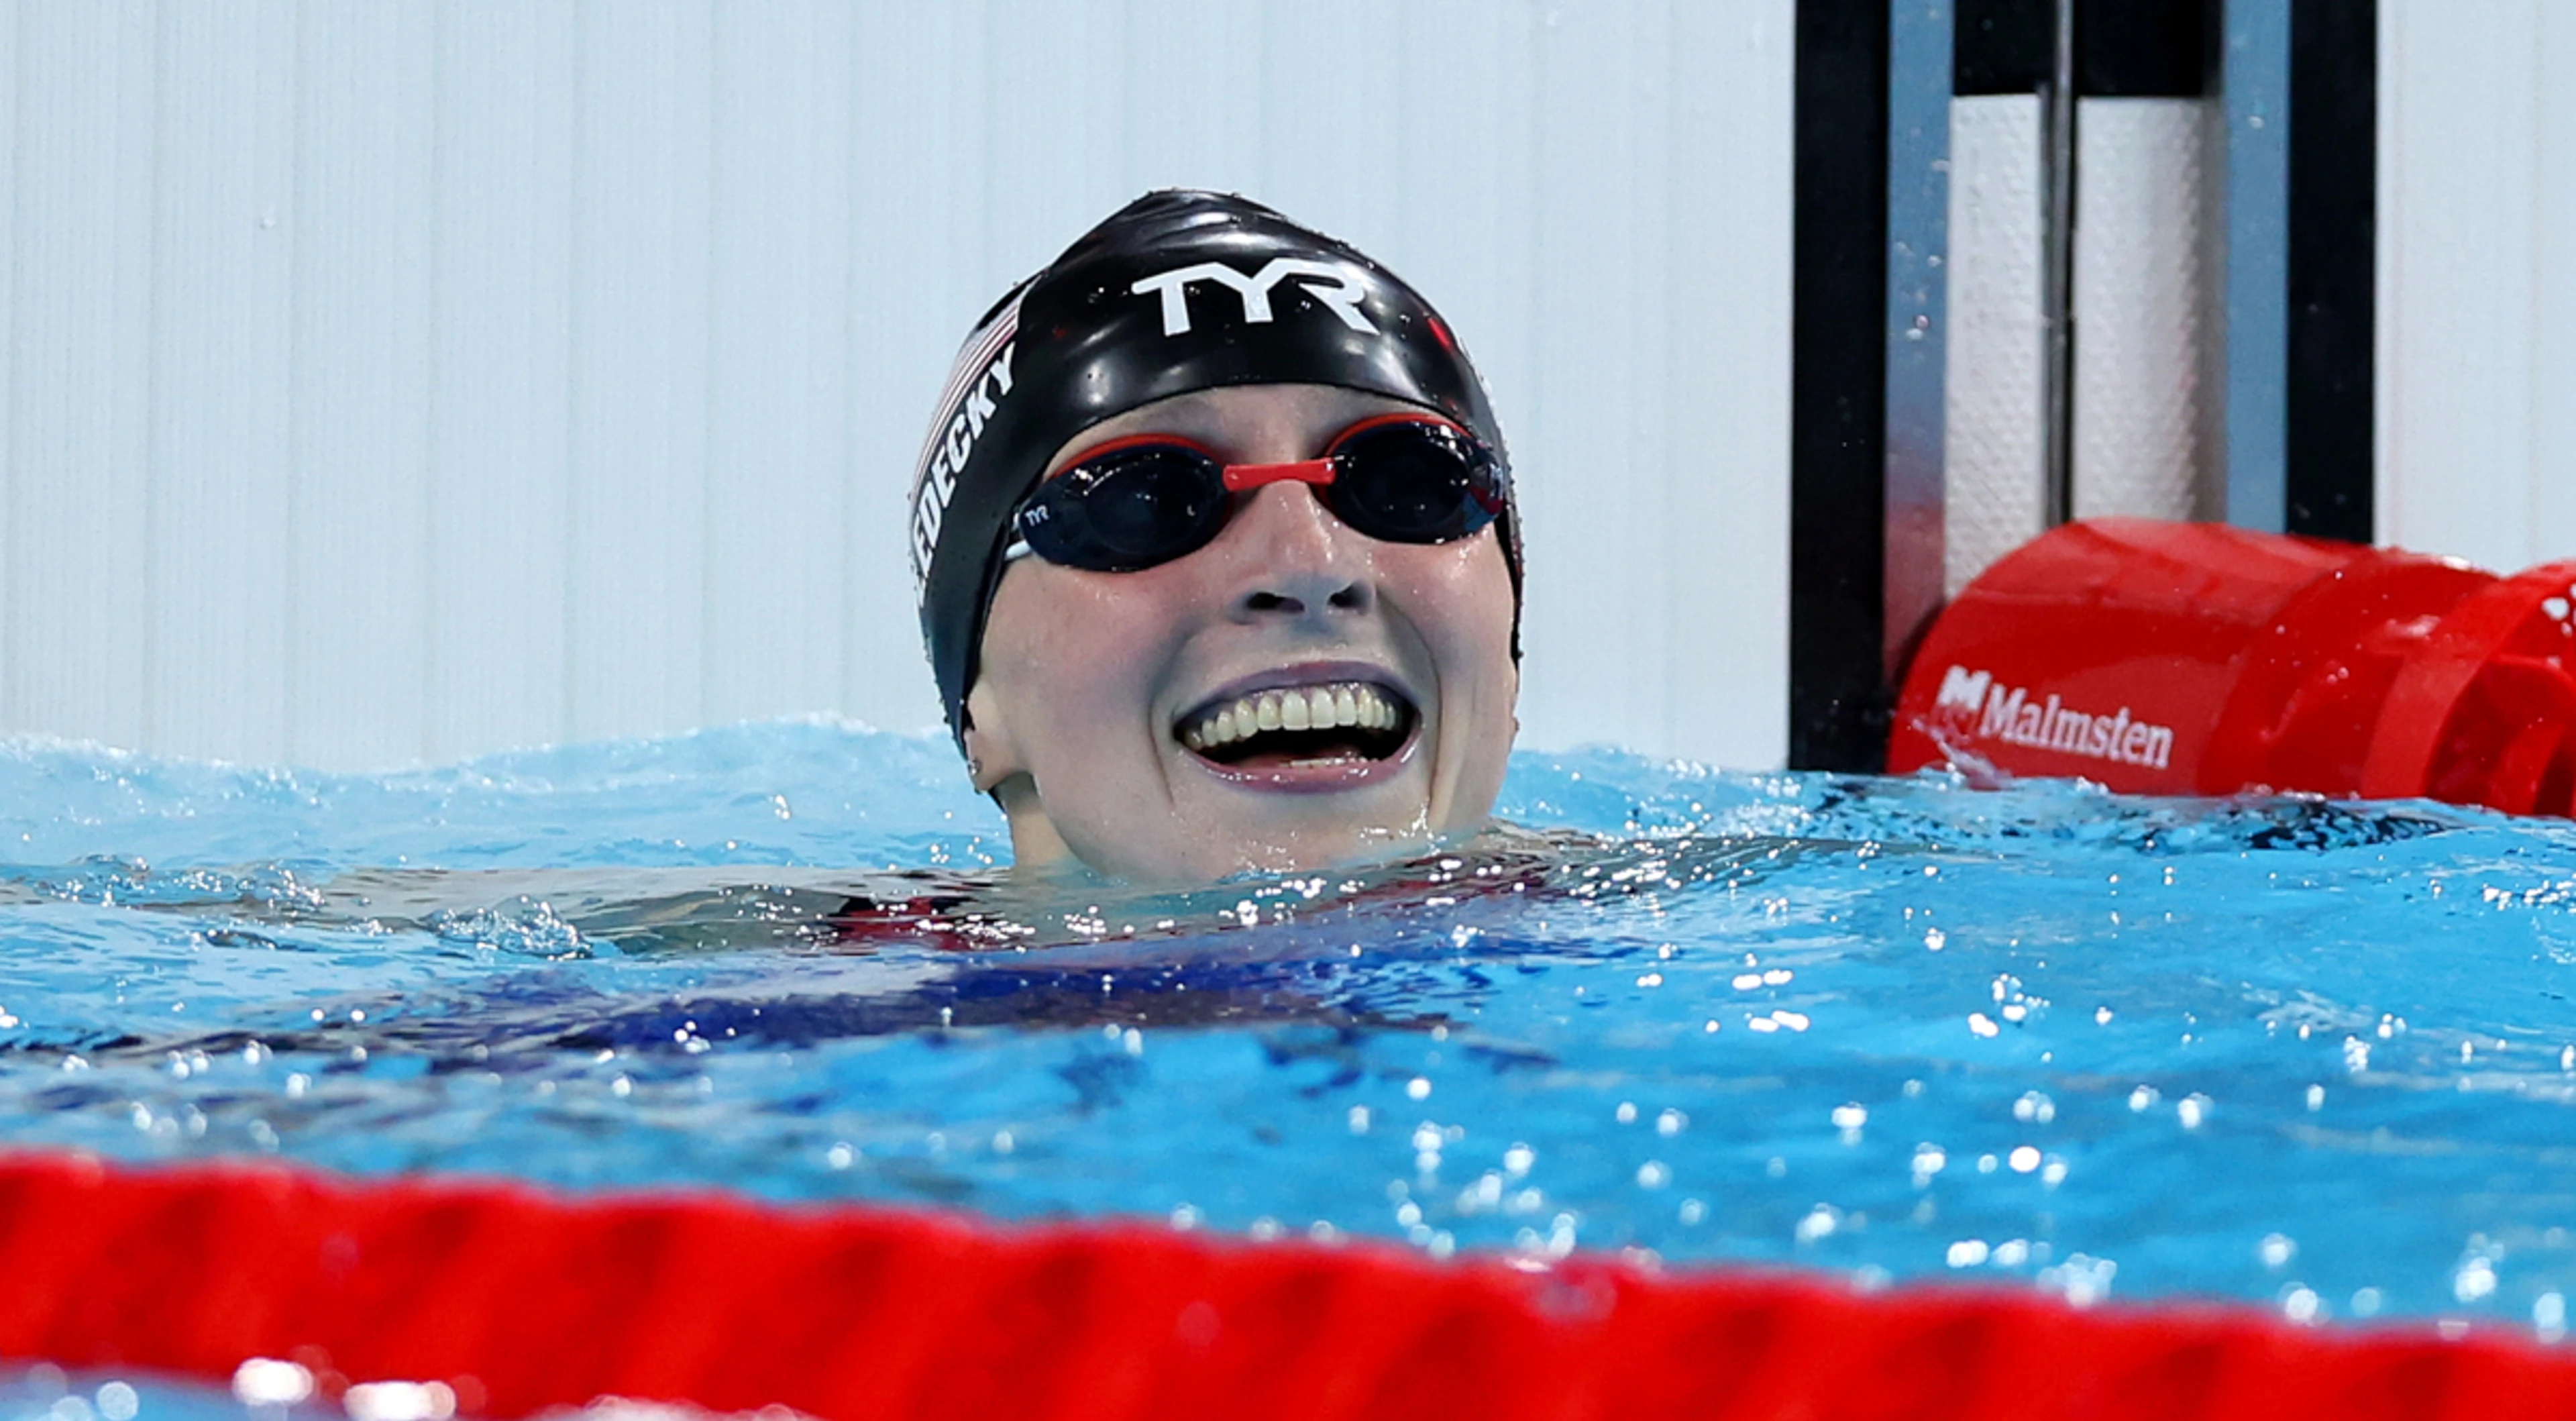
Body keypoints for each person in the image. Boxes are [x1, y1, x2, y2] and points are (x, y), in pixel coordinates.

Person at [909, 191, 1525, 884]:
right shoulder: (825, 980)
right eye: (1146, 500)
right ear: (978, 715)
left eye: (1412, 483)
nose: (1309, 566)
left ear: (1508, 666)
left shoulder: (1656, 925)